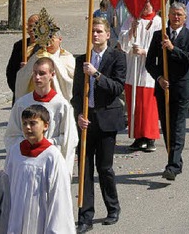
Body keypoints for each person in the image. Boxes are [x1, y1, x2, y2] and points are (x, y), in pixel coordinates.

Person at [72, 17, 126, 233]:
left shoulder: (117, 57)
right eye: (92, 31)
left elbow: (117, 87)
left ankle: (113, 207)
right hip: (87, 120)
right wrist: (78, 114)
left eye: (99, 31)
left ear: (107, 35)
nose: (95, 35)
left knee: (104, 168)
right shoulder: (82, 59)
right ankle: (85, 216)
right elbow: (76, 93)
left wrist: (96, 74)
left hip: (107, 120)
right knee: (84, 169)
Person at [146, 2, 189, 180]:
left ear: (185, 18)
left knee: (177, 127)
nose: (176, 18)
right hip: (163, 88)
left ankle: (172, 166)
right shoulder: (158, 35)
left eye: (179, 15)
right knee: (167, 128)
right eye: (173, 14)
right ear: (168, 16)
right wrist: (159, 78)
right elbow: (149, 63)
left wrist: (172, 48)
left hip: (181, 89)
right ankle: (176, 161)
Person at [4, 105, 75, 234]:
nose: (28, 128)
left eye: (33, 123)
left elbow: (59, 197)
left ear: (46, 126)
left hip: (40, 217)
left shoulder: (52, 156)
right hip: (15, 216)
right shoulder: (15, 151)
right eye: (24, 123)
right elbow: (6, 185)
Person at [5, 57, 78, 176]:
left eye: (42, 73)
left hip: (49, 161)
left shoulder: (61, 105)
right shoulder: (22, 103)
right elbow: (11, 135)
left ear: (52, 75)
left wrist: (46, 143)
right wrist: (27, 144)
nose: (37, 77)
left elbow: (69, 139)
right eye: (35, 73)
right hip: (26, 162)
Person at [119, 0, 161, 152]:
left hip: (147, 69)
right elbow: (122, 42)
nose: (145, 7)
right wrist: (131, 30)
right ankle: (138, 136)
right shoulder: (131, 19)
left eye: (148, 4)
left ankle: (149, 137)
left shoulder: (158, 22)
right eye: (143, 4)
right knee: (134, 103)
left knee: (147, 104)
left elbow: (160, 46)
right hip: (133, 67)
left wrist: (145, 52)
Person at [15, 9, 75, 101]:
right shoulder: (35, 56)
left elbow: (72, 82)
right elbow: (20, 80)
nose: (49, 42)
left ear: (60, 39)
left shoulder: (67, 58)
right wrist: (26, 70)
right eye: (46, 38)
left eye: (52, 38)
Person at [6, 14, 41, 104]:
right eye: (29, 26)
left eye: (35, 26)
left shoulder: (45, 47)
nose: (31, 30)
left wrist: (29, 69)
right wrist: (17, 88)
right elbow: (11, 70)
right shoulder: (19, 45)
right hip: (20, 94)